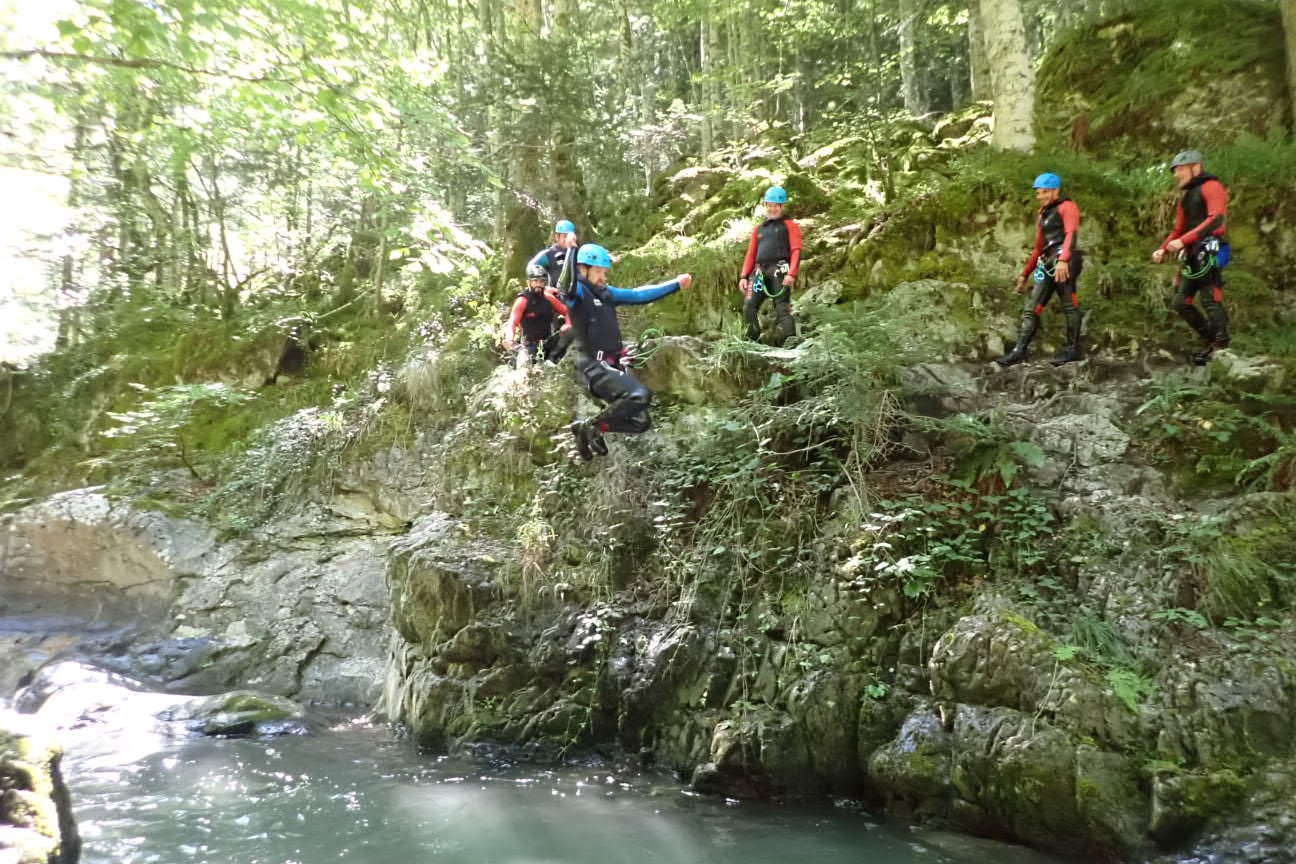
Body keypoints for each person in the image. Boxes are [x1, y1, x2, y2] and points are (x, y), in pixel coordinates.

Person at [557, 243, 691, 460]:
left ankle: (591, 428)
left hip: (610, 366)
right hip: (593, 367)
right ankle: (591, 427)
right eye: (598, 272)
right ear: (583, 269)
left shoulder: (606, 293)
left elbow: (638, 294)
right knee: (641, 395)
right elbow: (565, 285)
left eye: (605, 272)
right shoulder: (578, 292)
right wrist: (571, 251)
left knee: (640, 422)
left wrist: (675, 284)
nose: (603, 277)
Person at [997, 172, 1085, 367]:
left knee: (1069, 305)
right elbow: (1038, 247)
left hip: (1065, 260)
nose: (1040, 196)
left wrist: (1063, 260)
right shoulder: (1043, 213)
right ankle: (1019, 351)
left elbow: (1071, 234)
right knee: (1032, 308)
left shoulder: (1067, 206)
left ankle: (1073, 350)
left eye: (1044, 192)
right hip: (1047, 261)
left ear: (1055, 190)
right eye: (1038, 193)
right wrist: (1024, 275)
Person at [1152, 150, 1231, 365]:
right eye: (1175, 170)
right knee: (1180, 302)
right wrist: (1163, 249)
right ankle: (1212, 341)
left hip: (1211, 250)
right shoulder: (1187, 197)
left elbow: (1216, 219)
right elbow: (1178, 229)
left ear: (1195, 167)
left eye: (1180, 169)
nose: (1176, 174)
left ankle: (1221, 347)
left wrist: (1183, 240)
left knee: (1210, 299)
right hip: (1192, 253)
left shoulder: (1212, 186)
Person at [738, 186, 802, 345]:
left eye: (776, 206)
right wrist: (744, 276)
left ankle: (792, 342)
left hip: (780, 270)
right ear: (766, 205)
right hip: (759, 272)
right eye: (770, 205)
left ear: (782, 206)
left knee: (782, 308)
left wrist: (791, 273)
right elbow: (751, 254)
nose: (772, 209)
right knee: (749, 305)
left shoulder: (790, 225)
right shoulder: (759, 229)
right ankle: (751, 341)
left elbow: (796, 250)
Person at [502, 264, 571, 367]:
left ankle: (554, 362)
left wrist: (568, 324)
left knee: (572, 333)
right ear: (529, 282)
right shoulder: (522, 301)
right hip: (529, 345)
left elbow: (567, 312)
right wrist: (509, 338)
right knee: (525, 366)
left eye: (541, 281)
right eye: (535, 281)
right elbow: (512, 322)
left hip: (549, 342)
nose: (538, 284)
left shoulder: (548, 298)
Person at [528, 219, 579, 287]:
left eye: (570, 236)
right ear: (557, 237)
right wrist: (544, 287)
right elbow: (530, 268)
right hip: (557, 292)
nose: (568, 239)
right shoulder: (549, 254)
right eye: (565, 236)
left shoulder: (578, 253)